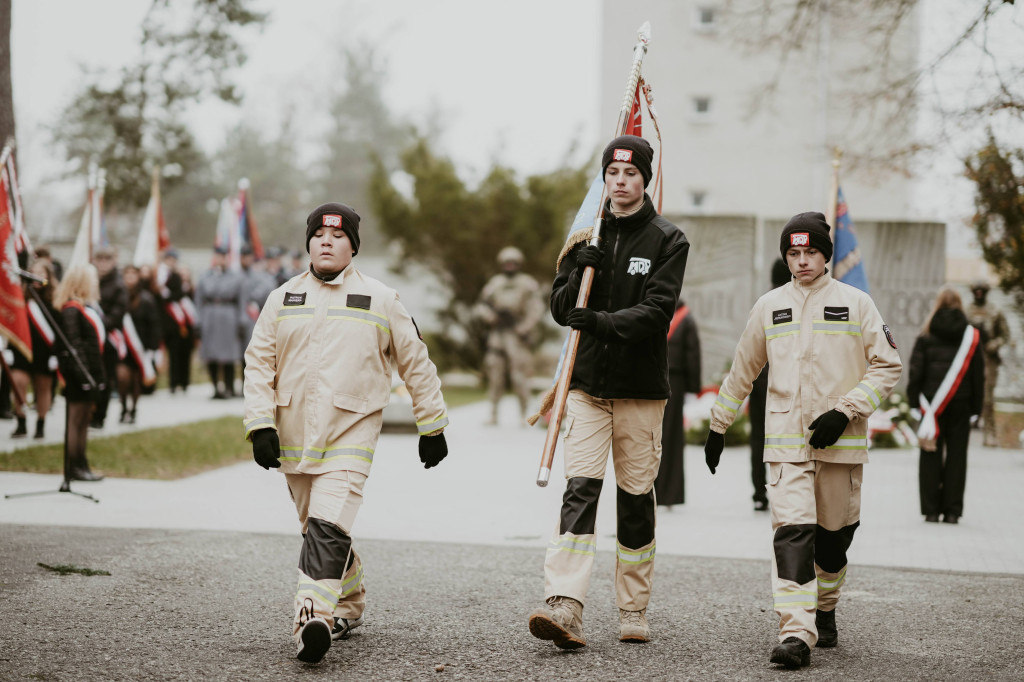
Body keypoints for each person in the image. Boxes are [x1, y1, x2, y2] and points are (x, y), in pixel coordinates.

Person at [243, 201, 449, 665]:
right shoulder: (283, 298)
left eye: (337, 237)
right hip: (293, 438)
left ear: (353, 246)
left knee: (327, 525)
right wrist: (259, 423)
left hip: (351, 436)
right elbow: (258, 364)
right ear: (309, 243)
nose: (326, 242)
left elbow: (416, 362)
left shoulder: (382, 299)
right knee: (317, 528)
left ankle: (309, 620)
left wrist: (432, 424)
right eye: (318, 235)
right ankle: (349, 602)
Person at [703, 212, 902, 669]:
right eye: (793, 253)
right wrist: (719, 424)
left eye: (810, 251)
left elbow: (887, 365)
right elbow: (742, 371)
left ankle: (826, 607)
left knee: (833, 543)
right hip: (786, 446)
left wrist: (845, 410)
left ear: (826, 254)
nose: (802, 261)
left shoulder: (857, 303)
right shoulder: (769, 306)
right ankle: (796, 632)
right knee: (791, 536)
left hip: (841, 447)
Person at [528, 134, 689, 649]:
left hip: (640, 391)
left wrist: (600, 320)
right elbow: (559, 307)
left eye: (630, 175)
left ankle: (633, 605)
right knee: (580, 490)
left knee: (636, 498)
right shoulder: (585, 235)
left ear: (644, 178)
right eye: (612, 175)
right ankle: (565, 604)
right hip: (586, 388)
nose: (620, 183)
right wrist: (578, 271)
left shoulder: (668, 239)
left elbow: (658, 312)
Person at [907, 287, 984, 525]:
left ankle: (931, 511)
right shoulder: (971, 335)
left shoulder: (926, 334)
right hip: (961, 403)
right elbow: (978, 376)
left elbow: (915, 372)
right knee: (957, 456)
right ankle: (952, 512)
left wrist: (913, 403)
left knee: (930, 453)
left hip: (931, 406)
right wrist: (976, 409)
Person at [474, 246, 543, 425]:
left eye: (513, 263)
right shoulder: (495, 283)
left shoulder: (528, 283)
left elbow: (536, 308)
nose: (510, 266)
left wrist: (525, 327)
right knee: (495, 375)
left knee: (519, 377)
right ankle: (493, 414)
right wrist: (490, 317)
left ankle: (524, 414)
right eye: (507, 263)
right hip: (498, 335)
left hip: (517, 335)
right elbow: (481, 305)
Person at [748, 258, 794, 512]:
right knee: (786, 438)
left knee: (758, 440)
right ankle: (783, 490)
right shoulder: (796, 304)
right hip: (785, 384)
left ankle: (758, 493)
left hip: (759, 383)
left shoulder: (764, 304)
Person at [54, 265, 107, 482]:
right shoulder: (71, 310)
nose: (95, 283)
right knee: (76, 420)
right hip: (79, 375)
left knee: (84, 420)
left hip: (90, 373)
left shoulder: (84, 308)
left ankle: (82, 462)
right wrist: (84, 376)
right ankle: (74, 465)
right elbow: (74, 345)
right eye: (92, 279)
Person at [654, 298, 701, 508]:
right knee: (672, 439)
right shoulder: (686, 320)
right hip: (676, 382)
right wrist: (693, 388)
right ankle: (669, 495)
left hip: (653, 379)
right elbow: (692, 355)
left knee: (650, 436)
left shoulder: (655, 313)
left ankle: (647, 489)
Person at [9, 260, 60, 439]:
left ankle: (40, 423)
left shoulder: (54, 298)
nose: (38, 276)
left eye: (42, 272)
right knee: (18, 383)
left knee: (42, 387)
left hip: (45, 351)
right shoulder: (20, 296)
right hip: (22, 349)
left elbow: (59, 328)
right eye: (34, 272)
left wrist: (56, 355)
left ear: (48, 276)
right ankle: (21, 421)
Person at [195, 246, 244, 399]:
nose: (221, 259)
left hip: (228, 315)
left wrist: (241, 319)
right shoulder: (205, 276)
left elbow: (242, 300)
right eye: (218, 256)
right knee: (211, 354)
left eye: (224, 256)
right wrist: (198, 320)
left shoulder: (235, 277)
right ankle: (216, 387)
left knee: (228, 354)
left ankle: (229, 387)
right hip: (210, 315)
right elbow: (199, 300)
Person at [965, 280, 1010, 447]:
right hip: (969, 358)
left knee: (988, 398)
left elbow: (1005, 335)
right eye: (976, 290)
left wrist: (994, 344)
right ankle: (966, 431)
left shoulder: (995, 311)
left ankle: (990, 433)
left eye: (982, 290)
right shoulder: (966, 311)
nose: (979, 293)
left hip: (988, 360)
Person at [117, 265, 161, 424]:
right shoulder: (118, 296)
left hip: (140, 346)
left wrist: (153, 348)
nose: (129, 277)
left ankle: (133, 409)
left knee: (136, 380)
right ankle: (123, 407)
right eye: (126, 274)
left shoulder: (146, 298)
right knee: (122, 378)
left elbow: (153, 324)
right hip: (122, 347)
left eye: (132, 274)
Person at [91, 246, 127, 429]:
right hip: (90, 337)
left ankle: (100, 415)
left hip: (108, 337)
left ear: (114, 261)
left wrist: (98, 326)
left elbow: (118, 314)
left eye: (107, 259)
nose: (103, 263)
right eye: (100, 259)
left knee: (104, 377)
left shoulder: (118, 284)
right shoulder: (89, 280)